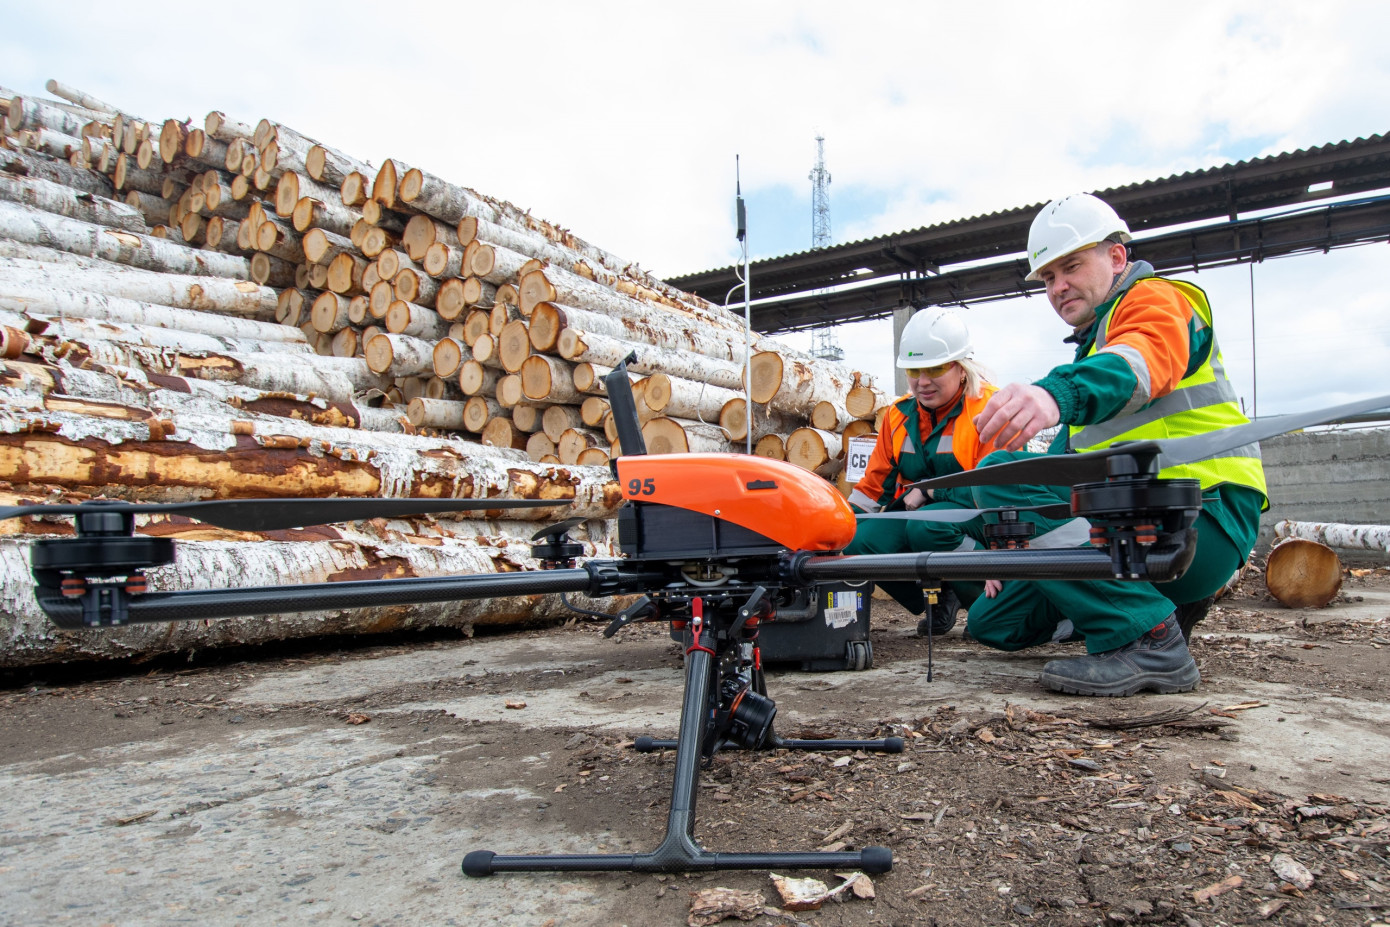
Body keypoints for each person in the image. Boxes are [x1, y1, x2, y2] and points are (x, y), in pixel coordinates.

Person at [964, 192, 1268, 696]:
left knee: (1001, 476)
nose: (1059, 287)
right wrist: (1004, 542)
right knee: (994, 621)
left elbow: (1140, 360)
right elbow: (1059, 467)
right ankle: (1151, 610)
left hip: (1200, 515)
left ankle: (1148, 639)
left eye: (1072, 267)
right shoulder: (1096, 340)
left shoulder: (1157, 301)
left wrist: (1058, 392)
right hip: (1141, 526)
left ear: (1117, 257)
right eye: (1047, 279)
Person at [844, 307, 1002, 636]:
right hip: (926, 519)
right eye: (914, 370)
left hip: (985, 520)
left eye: (935, 368)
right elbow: (873, 489)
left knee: (927, 525)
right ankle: (938, 597)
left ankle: (984, 606)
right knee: (857, 541)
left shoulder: (990, 408)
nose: (923, 381)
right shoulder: (897, 416)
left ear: (962, 368)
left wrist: (931, 490)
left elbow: (997, 488)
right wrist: (835, 525)